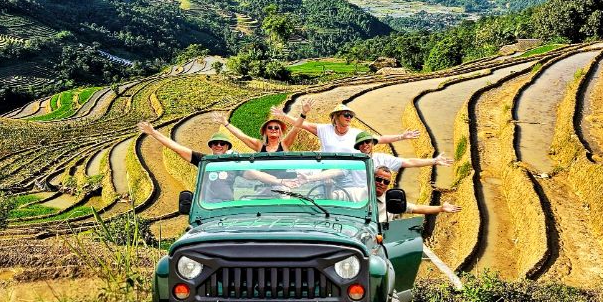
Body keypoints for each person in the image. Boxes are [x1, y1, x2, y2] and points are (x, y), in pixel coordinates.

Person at [137, 121, 292, 201]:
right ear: (211, 146)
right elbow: (177, 148)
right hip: (207, 206)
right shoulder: (204, 160)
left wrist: (281, 181)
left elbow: (257, 175)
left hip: (226, 205)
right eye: (215, 143)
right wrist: (153, 133)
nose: (218, 145)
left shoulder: (233, 165)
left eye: (222, 143)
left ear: (227, 147)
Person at [272, 101, 419, 153]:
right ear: (336, 117)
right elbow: (301, 124)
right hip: (326, 175)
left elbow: (380, 139)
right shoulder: (324, 130)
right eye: (346, 115)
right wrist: (283, 115)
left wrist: (402, 136)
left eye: (350, 115)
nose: (349, 117)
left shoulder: (357, 134)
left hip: (349, 175)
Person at [211, 99, 312, 152]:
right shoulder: (259, 145)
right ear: (265, 131)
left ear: (280, 131)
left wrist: (303, 113)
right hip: (265, 181)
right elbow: (241, 135)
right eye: (270, 127)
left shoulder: (284, 144)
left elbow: (296, 127)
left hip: (284, 181)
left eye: (276, 128)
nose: (273, 129)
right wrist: (226, 123)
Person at [374, 166, 461, 223]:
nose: (382, 183)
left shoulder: (391, 200)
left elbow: (415, 208)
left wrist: (441, 208)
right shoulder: (364, 197)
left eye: (386, 182)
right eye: (378, 179)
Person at [354, 130, 454, 172]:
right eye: (361, 143)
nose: (365, 145)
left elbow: (409, 162)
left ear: (373, 143)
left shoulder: (382, 158)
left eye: (367, 142)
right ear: (358, 146)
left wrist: (434, 161)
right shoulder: (351, 160)